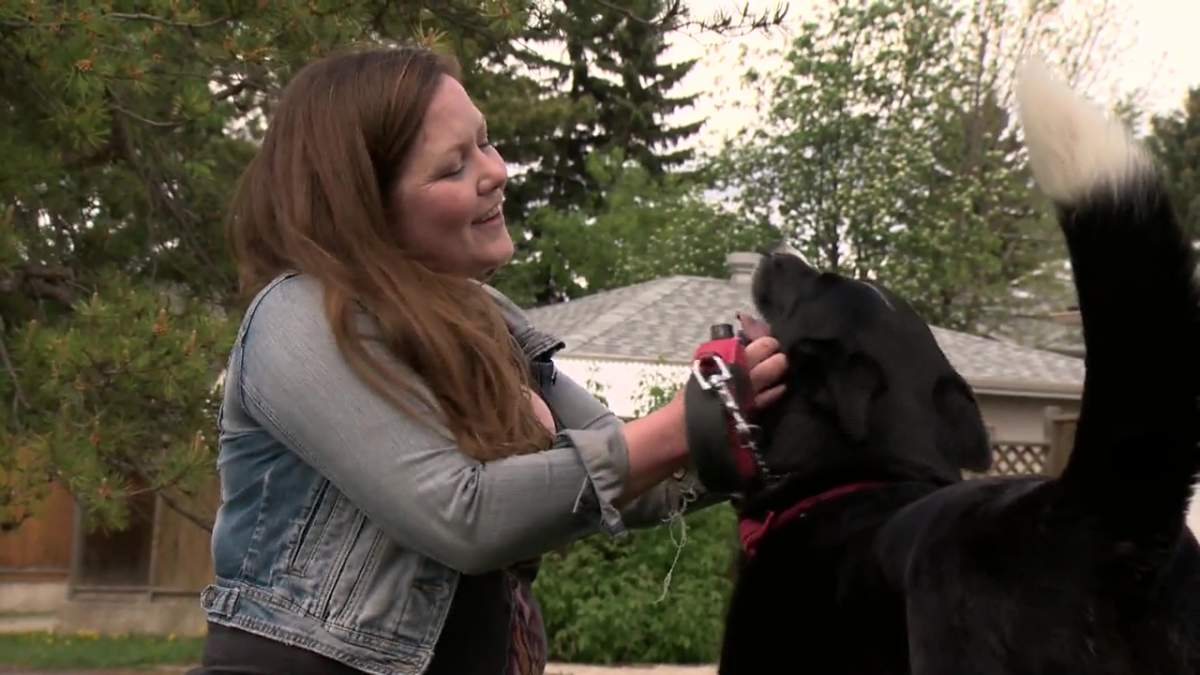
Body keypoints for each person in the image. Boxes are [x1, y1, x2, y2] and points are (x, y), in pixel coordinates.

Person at [191, 44, 788, 675]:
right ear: (365, 208)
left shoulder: (484, 320)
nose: (495, 171)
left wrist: (763, 422)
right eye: (452, 168)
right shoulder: (299, 315)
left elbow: (631, 477)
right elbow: (464, 516)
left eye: (486, 141)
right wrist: (688, 422)